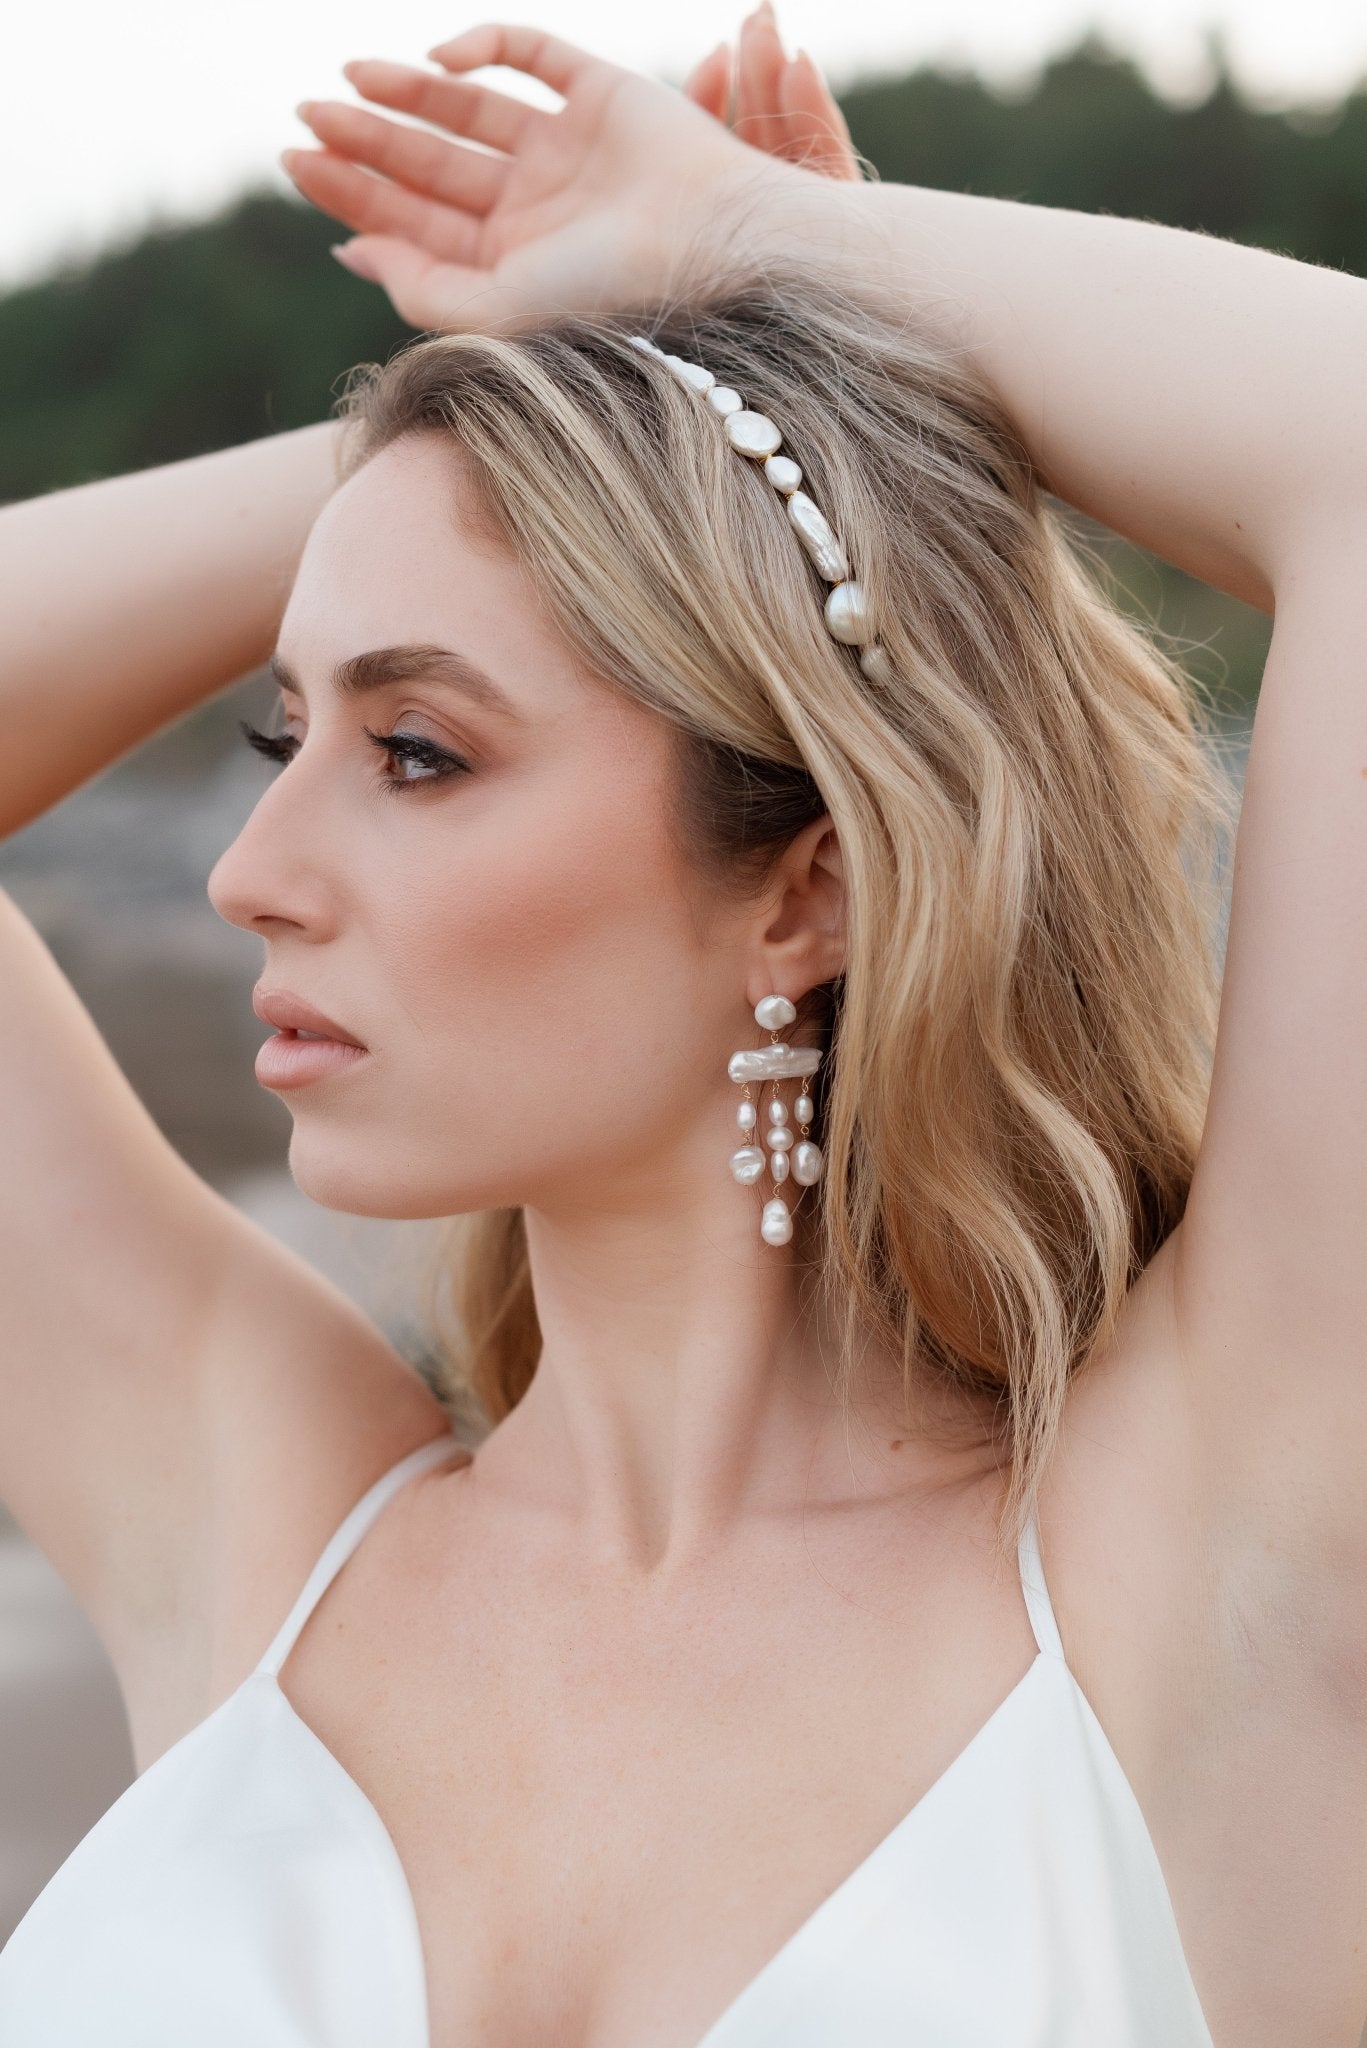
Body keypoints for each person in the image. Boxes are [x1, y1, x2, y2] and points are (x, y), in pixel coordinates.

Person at [0, 7, 1363, 2043]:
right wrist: (546, 401)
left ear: (803, 888)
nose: (248, 867)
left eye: (420, 750)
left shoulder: (1210, 1553)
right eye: (287, 732)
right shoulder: (264, 1528)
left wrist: (736, 245)